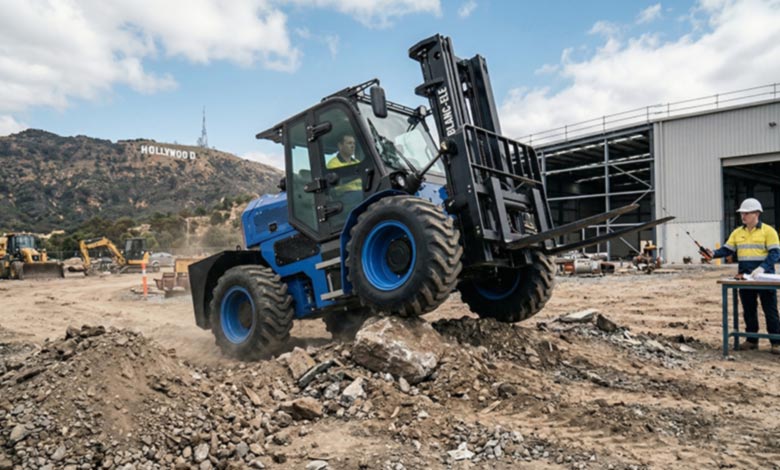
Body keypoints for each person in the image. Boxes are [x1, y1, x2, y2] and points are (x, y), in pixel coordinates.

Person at [708, 198, 780, 354]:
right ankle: (752, 340)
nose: (743, 216)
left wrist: (762, 268)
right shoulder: (737, 232)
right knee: (749, 309)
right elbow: (727, 250)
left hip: (765, 278)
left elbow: (775, 254)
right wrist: (712, 254)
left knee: (770, 310)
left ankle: (776, 342)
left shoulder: (769, 231)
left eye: (746, 213)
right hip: (745, 277)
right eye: (742, 213)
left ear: (756, 214)